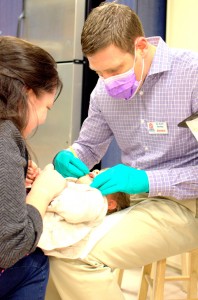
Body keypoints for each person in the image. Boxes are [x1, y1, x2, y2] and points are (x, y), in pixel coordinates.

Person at [51, 2, 198, 300]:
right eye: (98, 72)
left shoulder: (192, 77)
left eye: (114, 69)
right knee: (51, 245)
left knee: (74, 257)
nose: (107, 81)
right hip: (133, 201)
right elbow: (88, 147)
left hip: (186, 203)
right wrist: (68, 157)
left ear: (141, 46)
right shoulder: (103, 92)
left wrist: (147, 180)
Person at [0, 36, 67, 300]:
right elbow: (9, 246)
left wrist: (16, 179)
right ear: (27, 92)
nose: (44, 118)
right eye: (46, 107)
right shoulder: (5, 135)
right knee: (34, 263)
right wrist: (43, 191)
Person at [38, 170, 130, 258]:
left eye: (103, 177)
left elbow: (69, 206)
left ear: (110, 204)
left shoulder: (98, 202)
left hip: (36, 230)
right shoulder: (84, 195)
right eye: (98, 171)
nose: (96, 172)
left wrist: (44, 190)